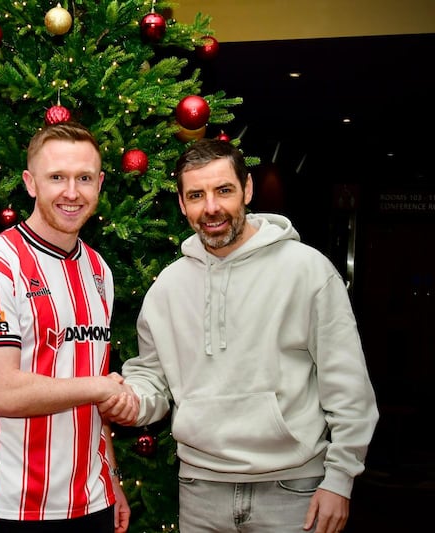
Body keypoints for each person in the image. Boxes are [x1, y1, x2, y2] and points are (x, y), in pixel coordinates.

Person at [101, 138, 378, 533]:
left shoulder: (308, 271)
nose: (211, 207)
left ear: (247, 189)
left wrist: (340, 479)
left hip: (293, 489)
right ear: (182, 204)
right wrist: (130, 401)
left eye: (223, 190)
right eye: (196, 195)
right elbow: (153, 379)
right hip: (199, 489)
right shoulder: (168, 288)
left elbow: (348, 385)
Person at [0, 122, 137, 533]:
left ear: (100, 183)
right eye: (57, 177)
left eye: (84, 178)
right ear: (30, 183)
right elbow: (2, 392)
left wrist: (111, 479)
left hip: (91, 501)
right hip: (8, 506)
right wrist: (101, 387)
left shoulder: (98, 270)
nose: (71, 193)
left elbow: (95, 390)